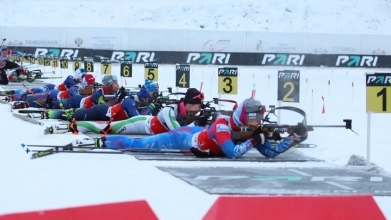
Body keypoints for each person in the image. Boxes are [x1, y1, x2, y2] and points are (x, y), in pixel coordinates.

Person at [95, 98, 308, 159]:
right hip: (185, 138)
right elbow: (232, 153)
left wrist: (295, 138)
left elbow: (271, 153)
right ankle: (101, 141)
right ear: (245, 116)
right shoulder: (222, 125)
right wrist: (254, 140)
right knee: (140, 145)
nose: (258, 123)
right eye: (255, 118)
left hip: (201, 138)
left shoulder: (251, 128)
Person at [65, 87, 204, 135]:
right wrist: (197, 124)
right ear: (189, 104)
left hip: (146, 125)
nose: (199, 109)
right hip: (140, 124)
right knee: (105, 129)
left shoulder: (188, 113)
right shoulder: (170, 111)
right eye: (198, 105)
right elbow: (178, 132)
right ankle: (74, 127)